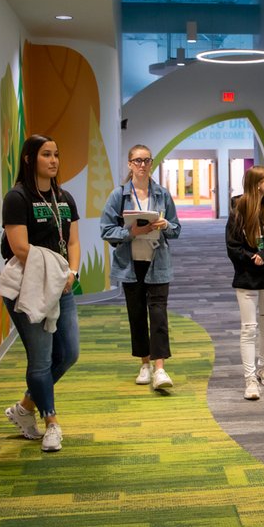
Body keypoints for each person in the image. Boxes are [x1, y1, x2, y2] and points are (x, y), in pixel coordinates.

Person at [0, 134, 81, 453]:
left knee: (69, 354)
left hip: (61, 285)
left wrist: (72, 272)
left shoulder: (65, 198)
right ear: (29, 159)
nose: (53, 160)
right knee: (41, 359)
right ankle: (51, 423)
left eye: (56, 154)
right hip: (28, 288)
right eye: (46, 154)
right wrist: (56, 271)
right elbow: (20, 247)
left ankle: (23, 409)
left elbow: (73, 241)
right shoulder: (17, 198)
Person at [100, 144, 181, 391]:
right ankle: (144, 364)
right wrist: (130, 232)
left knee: (158, 316)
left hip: (158, 263)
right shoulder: (119, 195)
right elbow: (106, 229)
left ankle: (159, 369)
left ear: (152, 163)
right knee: (136, 316)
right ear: (129, 164)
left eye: (147, 160)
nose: (142, 165)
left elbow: (177, 229)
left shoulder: (162, 194)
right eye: (137, 161)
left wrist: (166, 225)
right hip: (130, 265)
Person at [226, 166, 264, 400]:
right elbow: (232, 247)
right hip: (247, 278)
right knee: (249, 328)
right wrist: (255, 259)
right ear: (256, 184)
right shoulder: (238, 210)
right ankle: (250, 379)